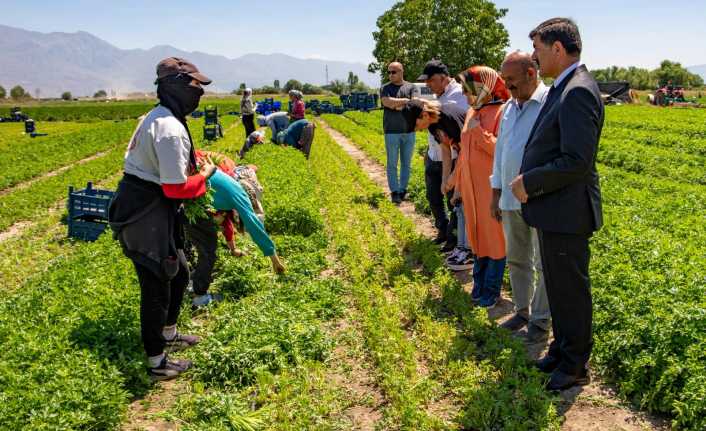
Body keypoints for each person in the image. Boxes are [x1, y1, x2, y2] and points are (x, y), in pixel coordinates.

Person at [108, 57, 216, 380]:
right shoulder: (168, 128)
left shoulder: (159, 116)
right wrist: (206, 176)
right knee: (156, 285)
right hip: (146, 211)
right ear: (176, 87)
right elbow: (175, 187)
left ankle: (168, 334)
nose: (199, 91)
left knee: (180, 273)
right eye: (194, 85)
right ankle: (157, 362)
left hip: (150, 205)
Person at [512, 18, 604, 391]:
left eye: (537, 48)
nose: (534, 55)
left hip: (567, 211)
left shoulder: (578, 91)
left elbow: (576, 161)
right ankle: (561, 351)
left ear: (558, 49)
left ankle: (576, 364)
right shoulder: (562, 87)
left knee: (571, 291)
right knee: (558, 286)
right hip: (555, 211)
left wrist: (530, 182)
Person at [491, 51, 551, 342]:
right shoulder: (509, 108)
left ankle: (540, 321)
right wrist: (496, 191)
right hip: (510, 200)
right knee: (517, 258)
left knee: (544, 262)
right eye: (504, 80)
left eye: (511, 80)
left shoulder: (550, 103)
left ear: (531, 74)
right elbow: (501, 152)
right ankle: (522, 310)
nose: (507, 85)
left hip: (540, 197)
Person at [187, 150, 285, 309]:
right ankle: (199, 296)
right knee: (208, 249)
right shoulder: (240, 196)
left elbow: (225, 221)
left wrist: (233, 249)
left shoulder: (231, 183)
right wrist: (275, 260)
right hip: (188, 198)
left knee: (192, 242)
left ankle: (189, 277)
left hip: (185, 194)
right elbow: (255, 226)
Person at [449, 66, 510, 307]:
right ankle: (479, 284)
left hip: (490, 188)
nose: (465, 95)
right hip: (470, 188)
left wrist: (481, 133)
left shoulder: (502, 112)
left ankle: (491, 290)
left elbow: (502, 151)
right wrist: (456, 185)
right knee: (476, 236)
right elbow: (464, 154)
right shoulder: (472, 113)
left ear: (484, 87)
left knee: (494, 239)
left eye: (468, 90)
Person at [418, 60, 469, 249]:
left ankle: (455, 238)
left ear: (443, 78)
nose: (427, 85)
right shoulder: (436, 97)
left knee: (454, 199)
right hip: (434, 154)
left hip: (455, 156)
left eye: (430, 80)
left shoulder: (459, 94)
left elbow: (458, 127)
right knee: (433, 196)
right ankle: (442, 229)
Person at [380, 61, 420, 204]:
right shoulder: (385, 88)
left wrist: (397, 105)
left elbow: (414, 104)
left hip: (409, 131)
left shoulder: (411, 87)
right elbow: (387, 102)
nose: (390, 75)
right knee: (392, 163)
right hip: (391, 131)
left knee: (406, 163)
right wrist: (404, 101)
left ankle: (403, 189)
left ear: (401, 72)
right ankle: (394, 191)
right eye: (389, 72)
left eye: (393, 72)